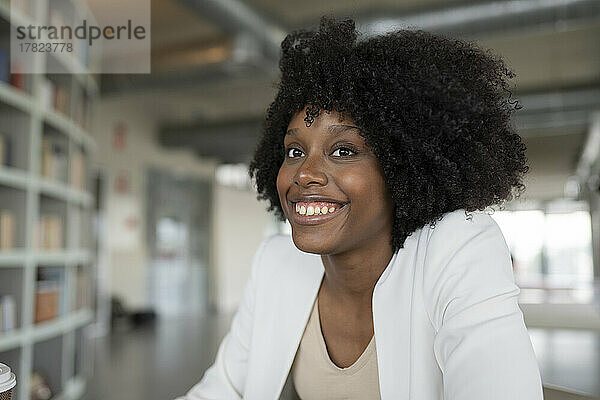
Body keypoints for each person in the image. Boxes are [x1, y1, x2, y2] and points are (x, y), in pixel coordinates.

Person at [175, 17, 543, 400]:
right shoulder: (275, 265)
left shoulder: (455, 250)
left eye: (343, 151)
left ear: (403, 167)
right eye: (295, 151)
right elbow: (221, 391)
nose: (305, 174)